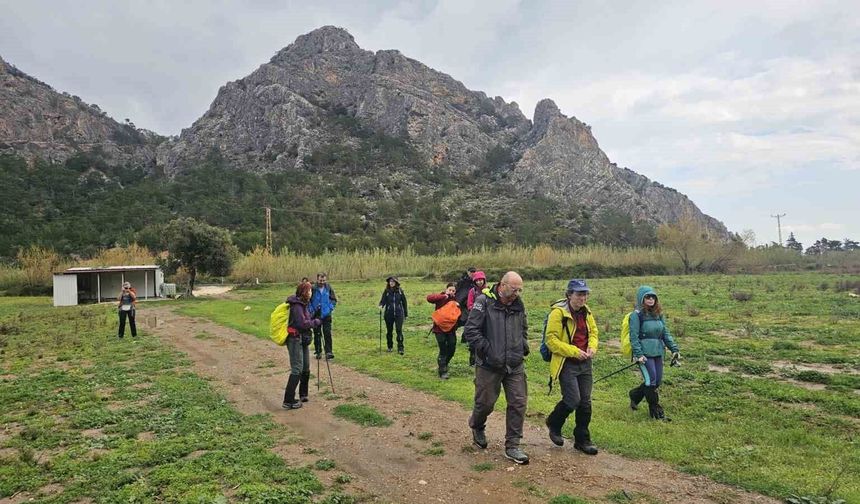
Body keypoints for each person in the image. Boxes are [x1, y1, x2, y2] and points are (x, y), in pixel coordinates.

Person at [464, 271, 530, 464]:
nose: (517, 293)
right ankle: (477, 425)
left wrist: (523, 345)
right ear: (502, 285)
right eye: (514, 289)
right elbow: (471, 330)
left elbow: (523, 327)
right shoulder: (484, 302)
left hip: (514, 364)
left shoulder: (518, 304)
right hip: (489, 364)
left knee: (518, 402)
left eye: (520, 290)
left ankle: (513, 445)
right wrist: (487, 349)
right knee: (485, 403)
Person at [544, 279, 600, 455]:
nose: (583, 298)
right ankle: (554, 423)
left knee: (585, 403)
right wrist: (574, 351)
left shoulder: (586, 312)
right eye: (579, 294)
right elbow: (551, 340)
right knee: (572, 400)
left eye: (585, 294)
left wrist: (592, 347)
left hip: (585, 363)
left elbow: (594, 332)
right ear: (569, 295)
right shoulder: (558, 313)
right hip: (567, 363)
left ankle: (582, 440)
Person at [627, 286, 680, 421]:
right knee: (651, 381)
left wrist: (674, 349)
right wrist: (638, 354)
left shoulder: (658, 314)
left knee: (657, 381)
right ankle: (656, 412)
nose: (651, 299)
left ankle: (635, 395)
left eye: (653, 297)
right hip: (644, 355)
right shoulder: (636, 316)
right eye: (647, 297)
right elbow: (634, 337)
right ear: (641, 299)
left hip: (658, 352)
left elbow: (665, 333)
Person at [282, 282, 321, 409]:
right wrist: (316, 322)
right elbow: (302, 324)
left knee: (305, 367)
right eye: (309, 290)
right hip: (295, 340)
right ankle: (288, 400)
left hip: (302, 339)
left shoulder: (303, 304)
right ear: (304, 292)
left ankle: (303, 394)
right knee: (297, 369)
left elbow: (306, 319)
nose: (311, 293)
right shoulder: (296, 306)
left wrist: (316, 315)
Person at [427, 283, 459, 379]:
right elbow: (429, 298)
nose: (451, 292)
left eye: (453, 291)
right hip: (439, 329)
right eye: (450, 290)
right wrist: (444, 296)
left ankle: (444, 364)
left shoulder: (455, 300)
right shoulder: (441, 297)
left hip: (451, 329)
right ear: (446, 290)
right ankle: (443, 371)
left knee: (452, 348)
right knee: (443, 349)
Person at [309, 272, 338, 360]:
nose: (322, 282)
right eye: (320, 280)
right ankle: (318, 351)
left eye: (324, 280)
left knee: (327, 333)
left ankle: (329, 352)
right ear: (317, 279)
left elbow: (333, 299)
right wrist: (311, 310)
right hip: (316, 314)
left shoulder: (328, 288)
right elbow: (308, 301)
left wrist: (330, 308)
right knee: (317, 334)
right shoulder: (313, 288)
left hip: (326, 314)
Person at [379, 276, 408, 354]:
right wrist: (381, 305)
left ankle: (400, 348)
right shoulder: (386, 291)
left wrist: (405, 314)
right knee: (389, 331)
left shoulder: (400, 291)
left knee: (399, 330)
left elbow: (404, 303)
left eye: (393, 281)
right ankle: (390, 346)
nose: (391, 283)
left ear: (396, 283)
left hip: (399, 314)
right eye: (390, 281)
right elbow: (383, 301)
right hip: (388, 314)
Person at [464, 270, 487, 366]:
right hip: (475, 318)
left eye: (480, 280)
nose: (479, 282)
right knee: (474, 337)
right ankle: (473, 358)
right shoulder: (472, 291)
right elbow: (469, 305)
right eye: (477, 280)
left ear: (484, 280)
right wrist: (477, 310)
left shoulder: (489, 290)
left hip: (487, 319)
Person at [455, 267, 477, 340]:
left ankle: (464, 337)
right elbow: (458, 291)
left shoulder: (475, 281)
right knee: (457, 320)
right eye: (471, 272)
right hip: (460, 303)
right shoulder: (462, 281)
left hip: (469, 304)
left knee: (469, 320)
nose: (472, 274)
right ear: (468, 272)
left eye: (474, 272)